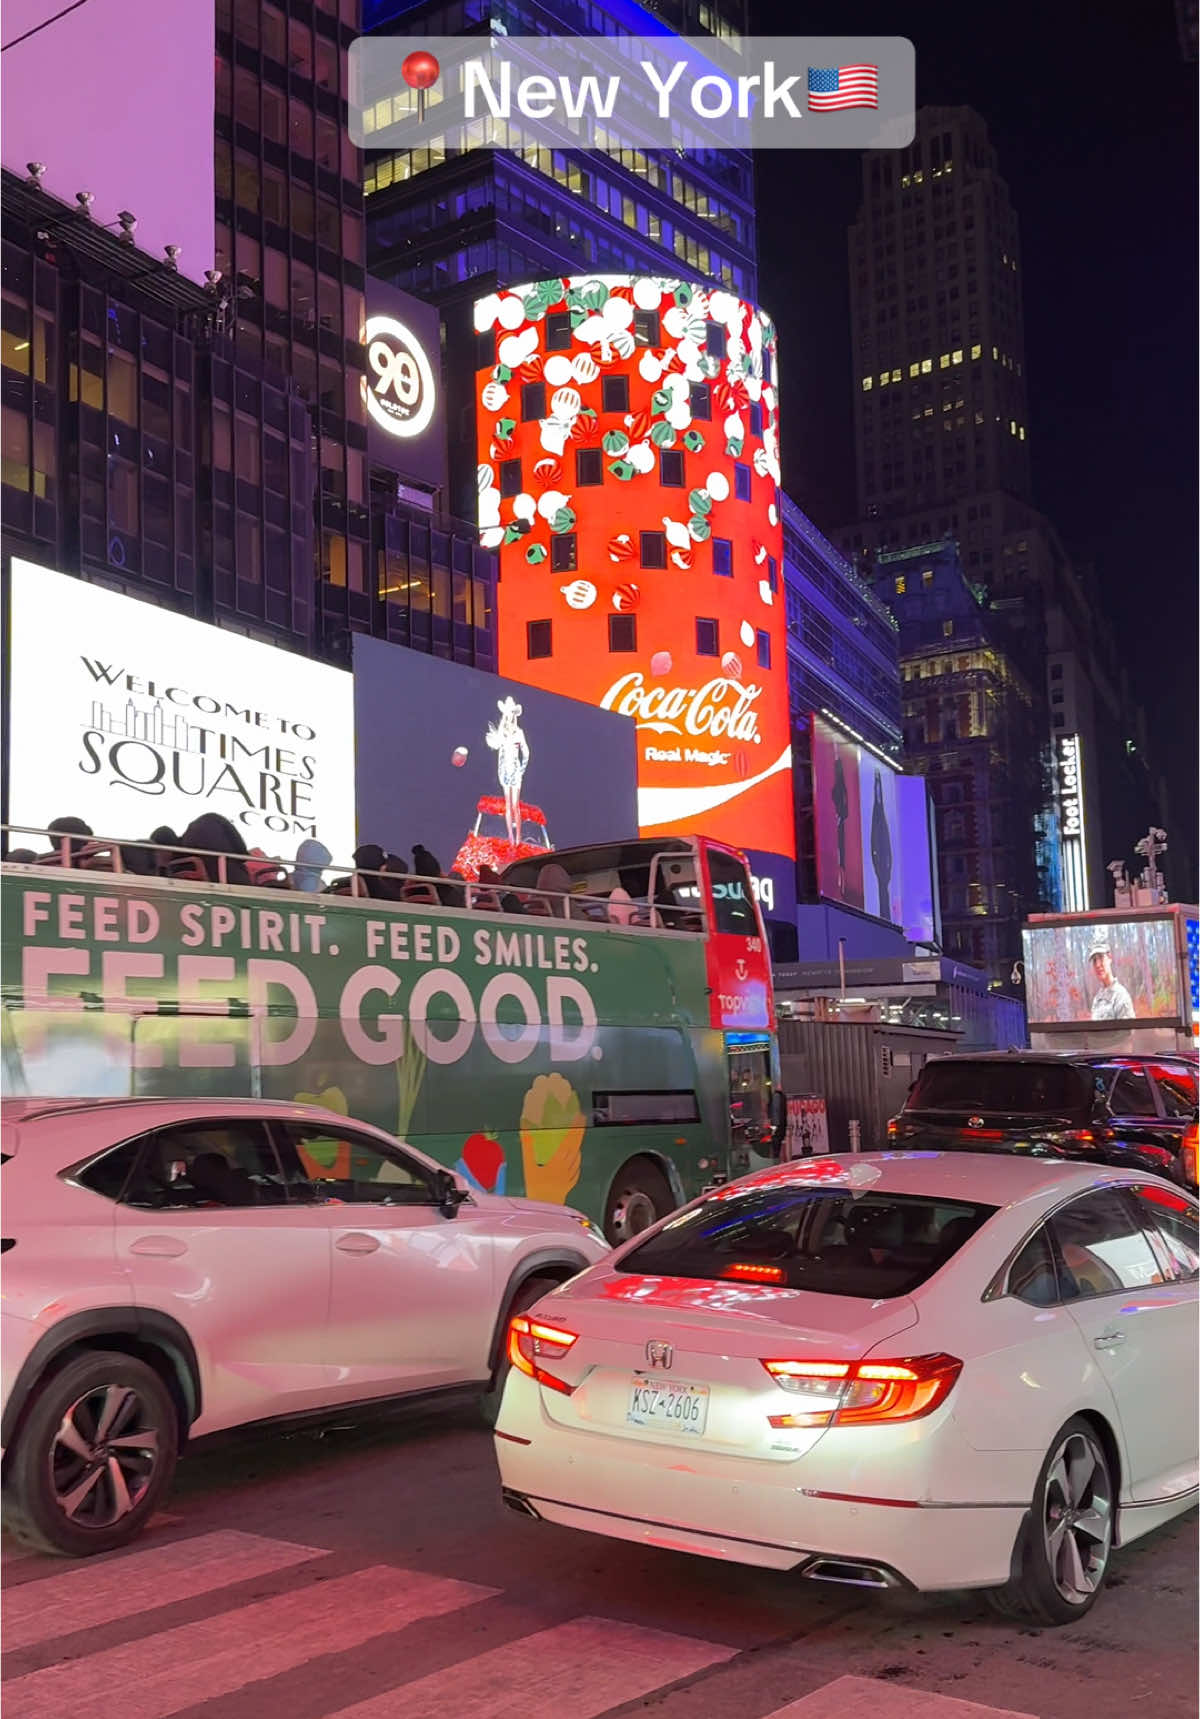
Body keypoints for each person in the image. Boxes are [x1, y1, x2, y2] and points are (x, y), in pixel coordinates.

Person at [486, 696, 530, 849]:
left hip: (516, 771)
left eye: (511, 712)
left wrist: (522, 769)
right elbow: (497, 745)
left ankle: (518, 837)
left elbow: (526, 751)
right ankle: (511, 838)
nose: (509, 714)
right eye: (507, 712)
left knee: (515, 805)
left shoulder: (519, 732)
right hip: (504, 770)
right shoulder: (502, 732)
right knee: (508, 804)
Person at [1088, 936, 1135, 1021]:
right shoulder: (1097, 999)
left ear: (1109, 958)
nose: (1098, 965)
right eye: (1094, 960)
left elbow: (1129, 1033)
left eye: (1101, 957)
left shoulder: (1120, 995)